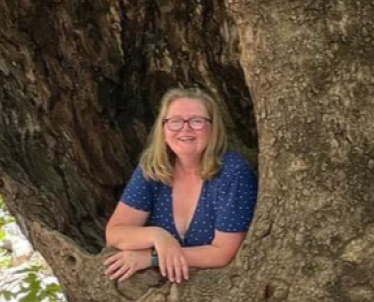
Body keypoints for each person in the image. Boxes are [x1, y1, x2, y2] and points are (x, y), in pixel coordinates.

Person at [104, 87, 258, 284]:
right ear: (163, 128)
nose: (185, 129)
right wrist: (158, 236)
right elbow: (115, 233)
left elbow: (224, 253)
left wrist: (151, 258)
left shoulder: (233, 172)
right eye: (175, 121)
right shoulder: (152, 168)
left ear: (213, 129)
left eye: (197, 121)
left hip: (223, 289)